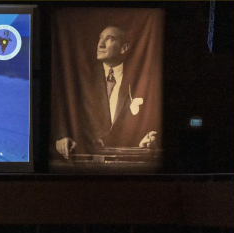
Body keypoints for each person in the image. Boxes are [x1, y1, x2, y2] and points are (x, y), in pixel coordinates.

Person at [54, 25, 159, 158]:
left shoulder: (140, 79)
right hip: (85, 158)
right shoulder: (83, 77)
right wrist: (62, 136)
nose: (100, 45)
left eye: (109, 39)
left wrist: (146, 140)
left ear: (124, 48)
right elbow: (64, 108)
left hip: (126, 159)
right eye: (100, 39)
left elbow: (147, 121)